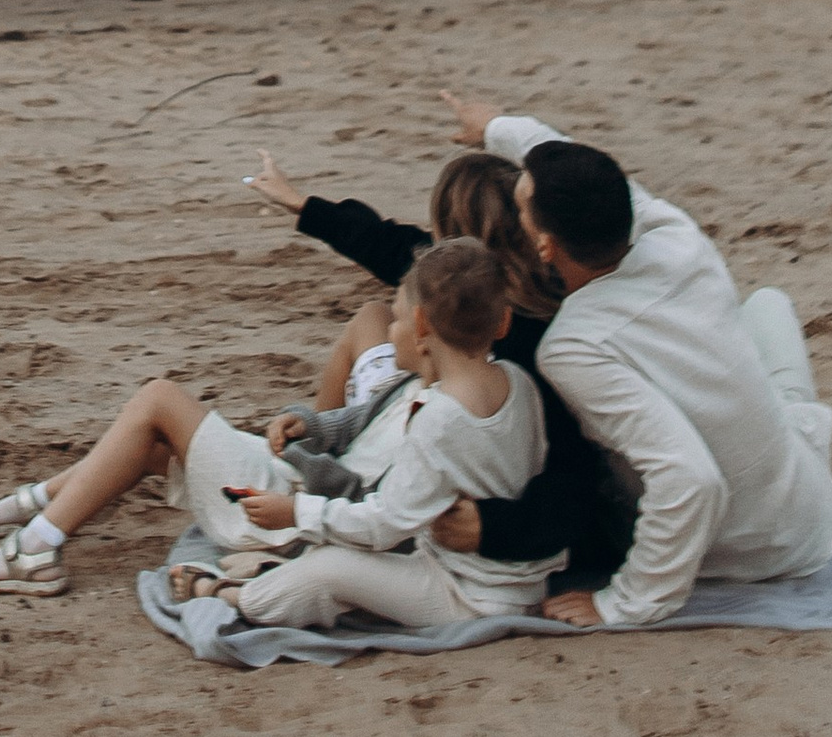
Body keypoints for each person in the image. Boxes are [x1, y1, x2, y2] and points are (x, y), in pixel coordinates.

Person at [457, 100, 832, 630]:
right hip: (804, 510)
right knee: (768, 305)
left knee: (751, 356)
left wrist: (623, 603)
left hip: (736, 555)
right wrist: (494, 127)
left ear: (544, 243)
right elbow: (571, 160)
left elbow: (691, 480)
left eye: (522, 205)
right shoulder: (676, 236)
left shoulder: (573, 345)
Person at [251, 144, 633, 594]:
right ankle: (323, 456)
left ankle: (319, 484)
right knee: (375, 317)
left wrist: (492, 527)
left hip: (485, 511)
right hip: (447, 443)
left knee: (375, 325)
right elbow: (391, 245)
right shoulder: (488, 291)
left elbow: (572, 473)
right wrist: (304, 206)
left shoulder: (537, 348)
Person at [189, 238, 563, 635]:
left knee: (326, 568)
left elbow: (384, 523)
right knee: (343, 556)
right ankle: (269, 575)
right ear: (503, 322)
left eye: (396, 319)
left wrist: (297, 512)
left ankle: (231, 595)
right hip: (523, 584)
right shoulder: (519, 383)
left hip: (466, 595)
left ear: (421, 325)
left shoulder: (438, 418)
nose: (391, 328)